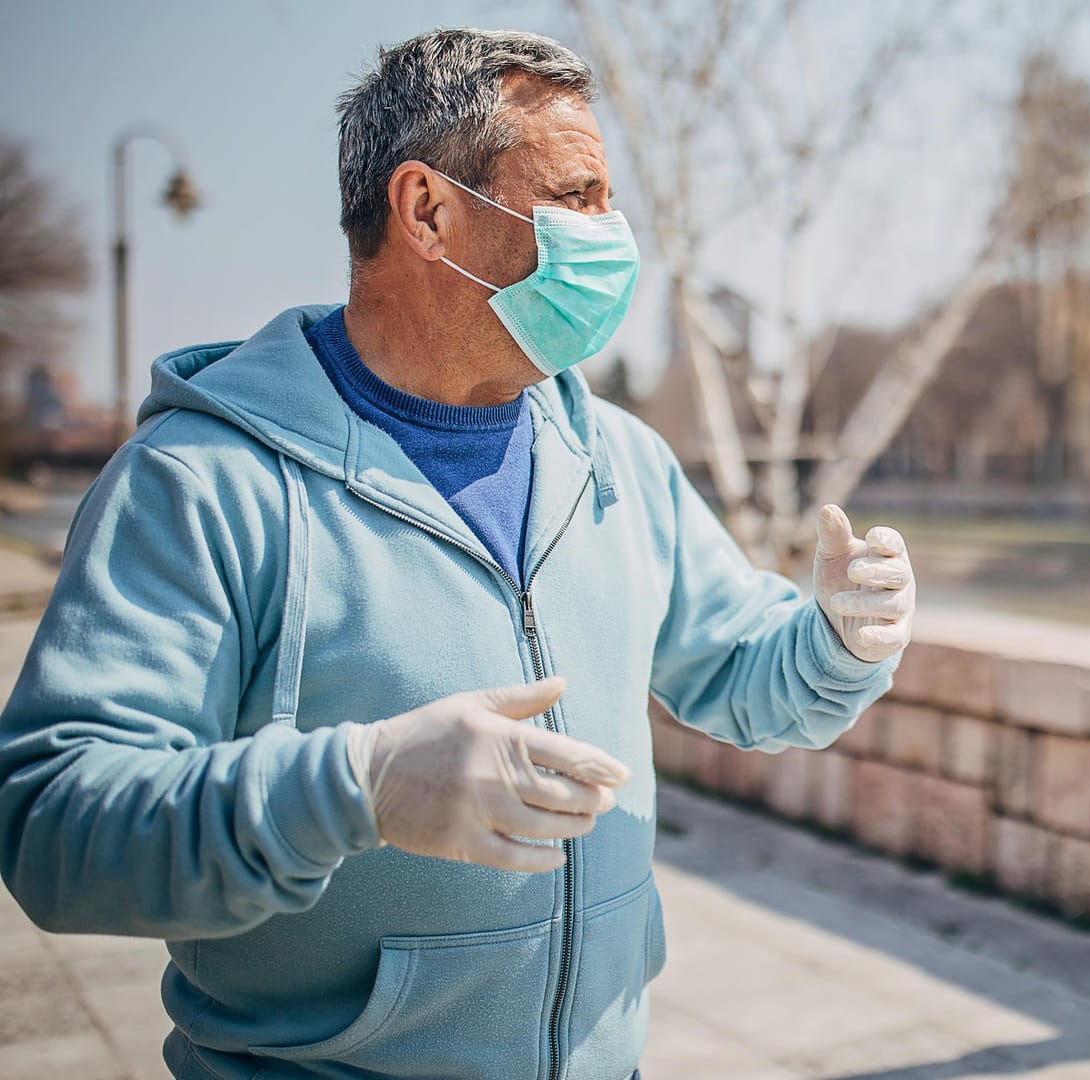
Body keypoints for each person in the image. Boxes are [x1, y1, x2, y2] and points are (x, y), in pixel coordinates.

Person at [0, 29, 915, 1080]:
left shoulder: (616, 454)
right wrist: (357, 786)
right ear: (429, 211)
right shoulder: (201, 483)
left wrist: (837, 642)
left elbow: (742, 675)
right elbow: (53, 830)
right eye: (574, 196)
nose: (609, 233)